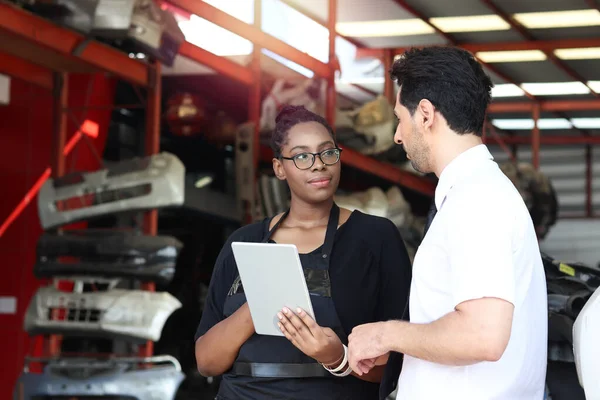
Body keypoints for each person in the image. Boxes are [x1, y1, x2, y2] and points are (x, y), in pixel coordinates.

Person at [347, 46, 548, 400]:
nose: (397, 135)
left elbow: (482, 334)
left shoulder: (477, 201)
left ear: (425, 114)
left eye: (400, 118)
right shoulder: (476, 194)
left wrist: (386, 335)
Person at [194, 105, 412, 400]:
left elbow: (402, 362)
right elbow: (207, 362)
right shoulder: (244, 243)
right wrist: (259, 307)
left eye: (327, 153)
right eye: (301, 156)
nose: (318, 164)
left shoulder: (374, 238)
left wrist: (338, 358)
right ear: (279, 168)